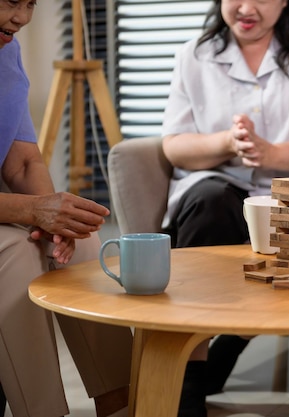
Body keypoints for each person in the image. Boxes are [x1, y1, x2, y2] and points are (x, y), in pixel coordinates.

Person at [160, 0, 289, 415]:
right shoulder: (194, 54)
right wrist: (227, 144)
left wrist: (271, 152)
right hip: (222, 185)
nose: (246, 8)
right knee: (207, 205)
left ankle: (235, 337)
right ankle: (190, 372)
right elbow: (175, 146)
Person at [0, 2, 134, 417]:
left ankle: (124, 405)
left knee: (85, 241)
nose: (21, 18)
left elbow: (23, 161)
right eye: (10, 1)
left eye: (31, 4)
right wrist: (33, 209)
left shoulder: (7, 51)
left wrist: (56, 223)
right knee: (15, 255)